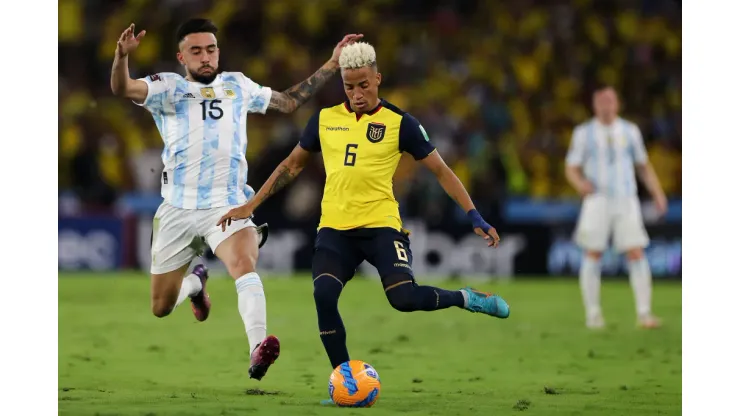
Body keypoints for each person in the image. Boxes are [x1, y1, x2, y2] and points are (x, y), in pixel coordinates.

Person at [217, 41, 510, 378]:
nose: (356, 93)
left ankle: (466, 298)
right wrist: (249, 206)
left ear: (378, 79)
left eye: (364, 85)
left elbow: (441, 171)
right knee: (324, 295)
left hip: (381, 225)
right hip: (335, 230)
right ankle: (345, 379)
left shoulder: (401, 123)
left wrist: (474, 215)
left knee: (404, 298)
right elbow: (291, 166)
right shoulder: (324, 120)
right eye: (349, 86)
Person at [110, 17, 363, 380]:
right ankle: (196, 284)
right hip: (178, 209)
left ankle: (257, 348)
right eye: (195, 51)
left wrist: (332, 63)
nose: (205, 56)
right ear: (181, 57)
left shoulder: (238, 86)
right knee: (161, 307)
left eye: (210, 49)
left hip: (228, 204)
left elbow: (290, 102)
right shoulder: (167, 88)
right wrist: (121, 57)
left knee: (244, 264)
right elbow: (122, 89)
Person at [565, 86, 667, 329]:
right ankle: (593, 315)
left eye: (610, 100)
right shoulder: (584, 133)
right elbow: (571, 167)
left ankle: (644, 314)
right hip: (597, 200)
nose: (606, 105)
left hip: (626, 198)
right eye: (601, 101)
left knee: (636, 251)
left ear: (617, 104)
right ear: (594, 105)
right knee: (593, 253)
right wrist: (580, 184)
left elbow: (643, 165)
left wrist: (658, 193)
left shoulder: (630, 131)